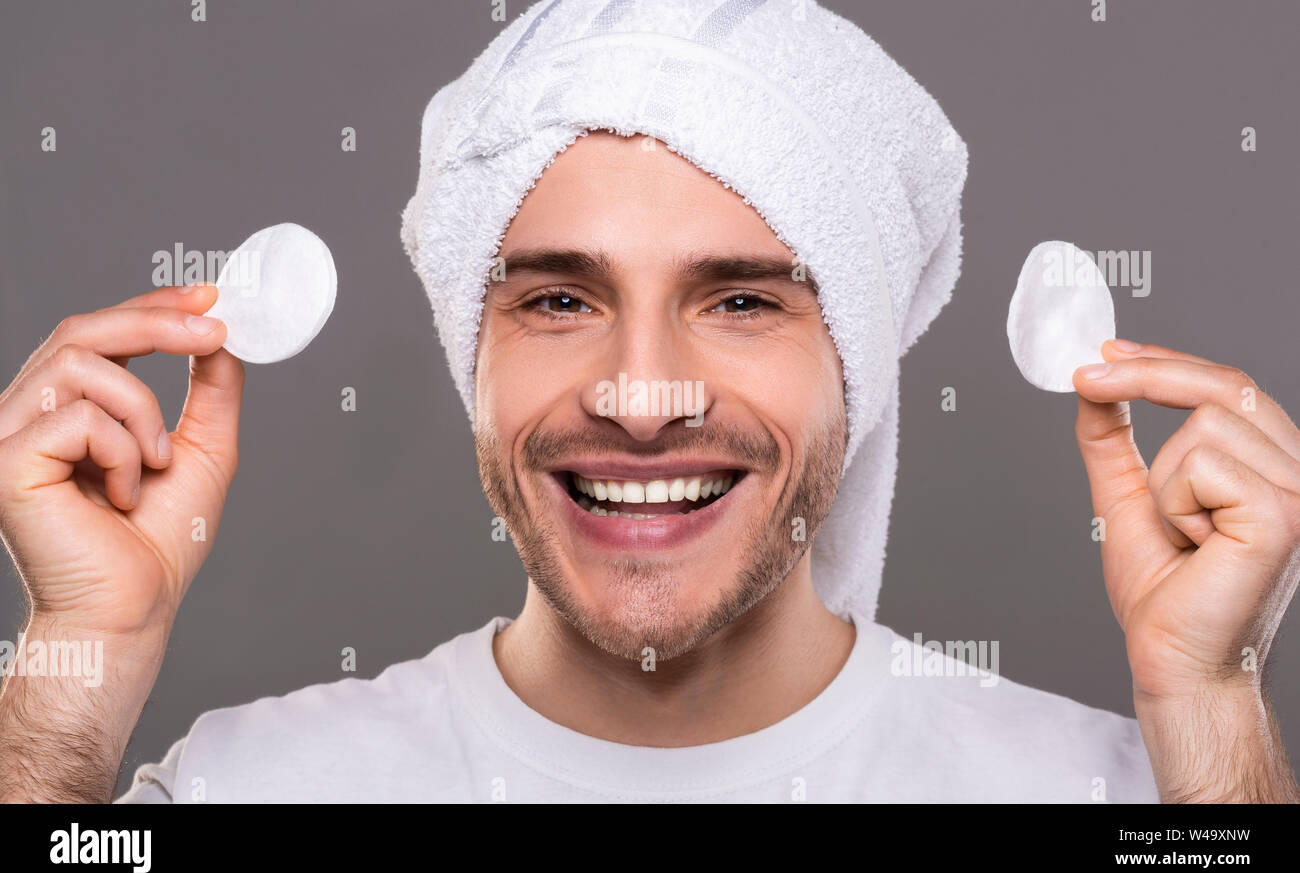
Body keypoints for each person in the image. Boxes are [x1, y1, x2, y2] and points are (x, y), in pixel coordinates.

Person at [2, 0, 1297, 804]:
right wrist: (72, 677)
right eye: (559, 300)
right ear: (475, 352)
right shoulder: (248, 791)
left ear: (855, 360)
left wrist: (1211, 711)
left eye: (741, 300)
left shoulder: (1128, 807)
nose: (639, 394)